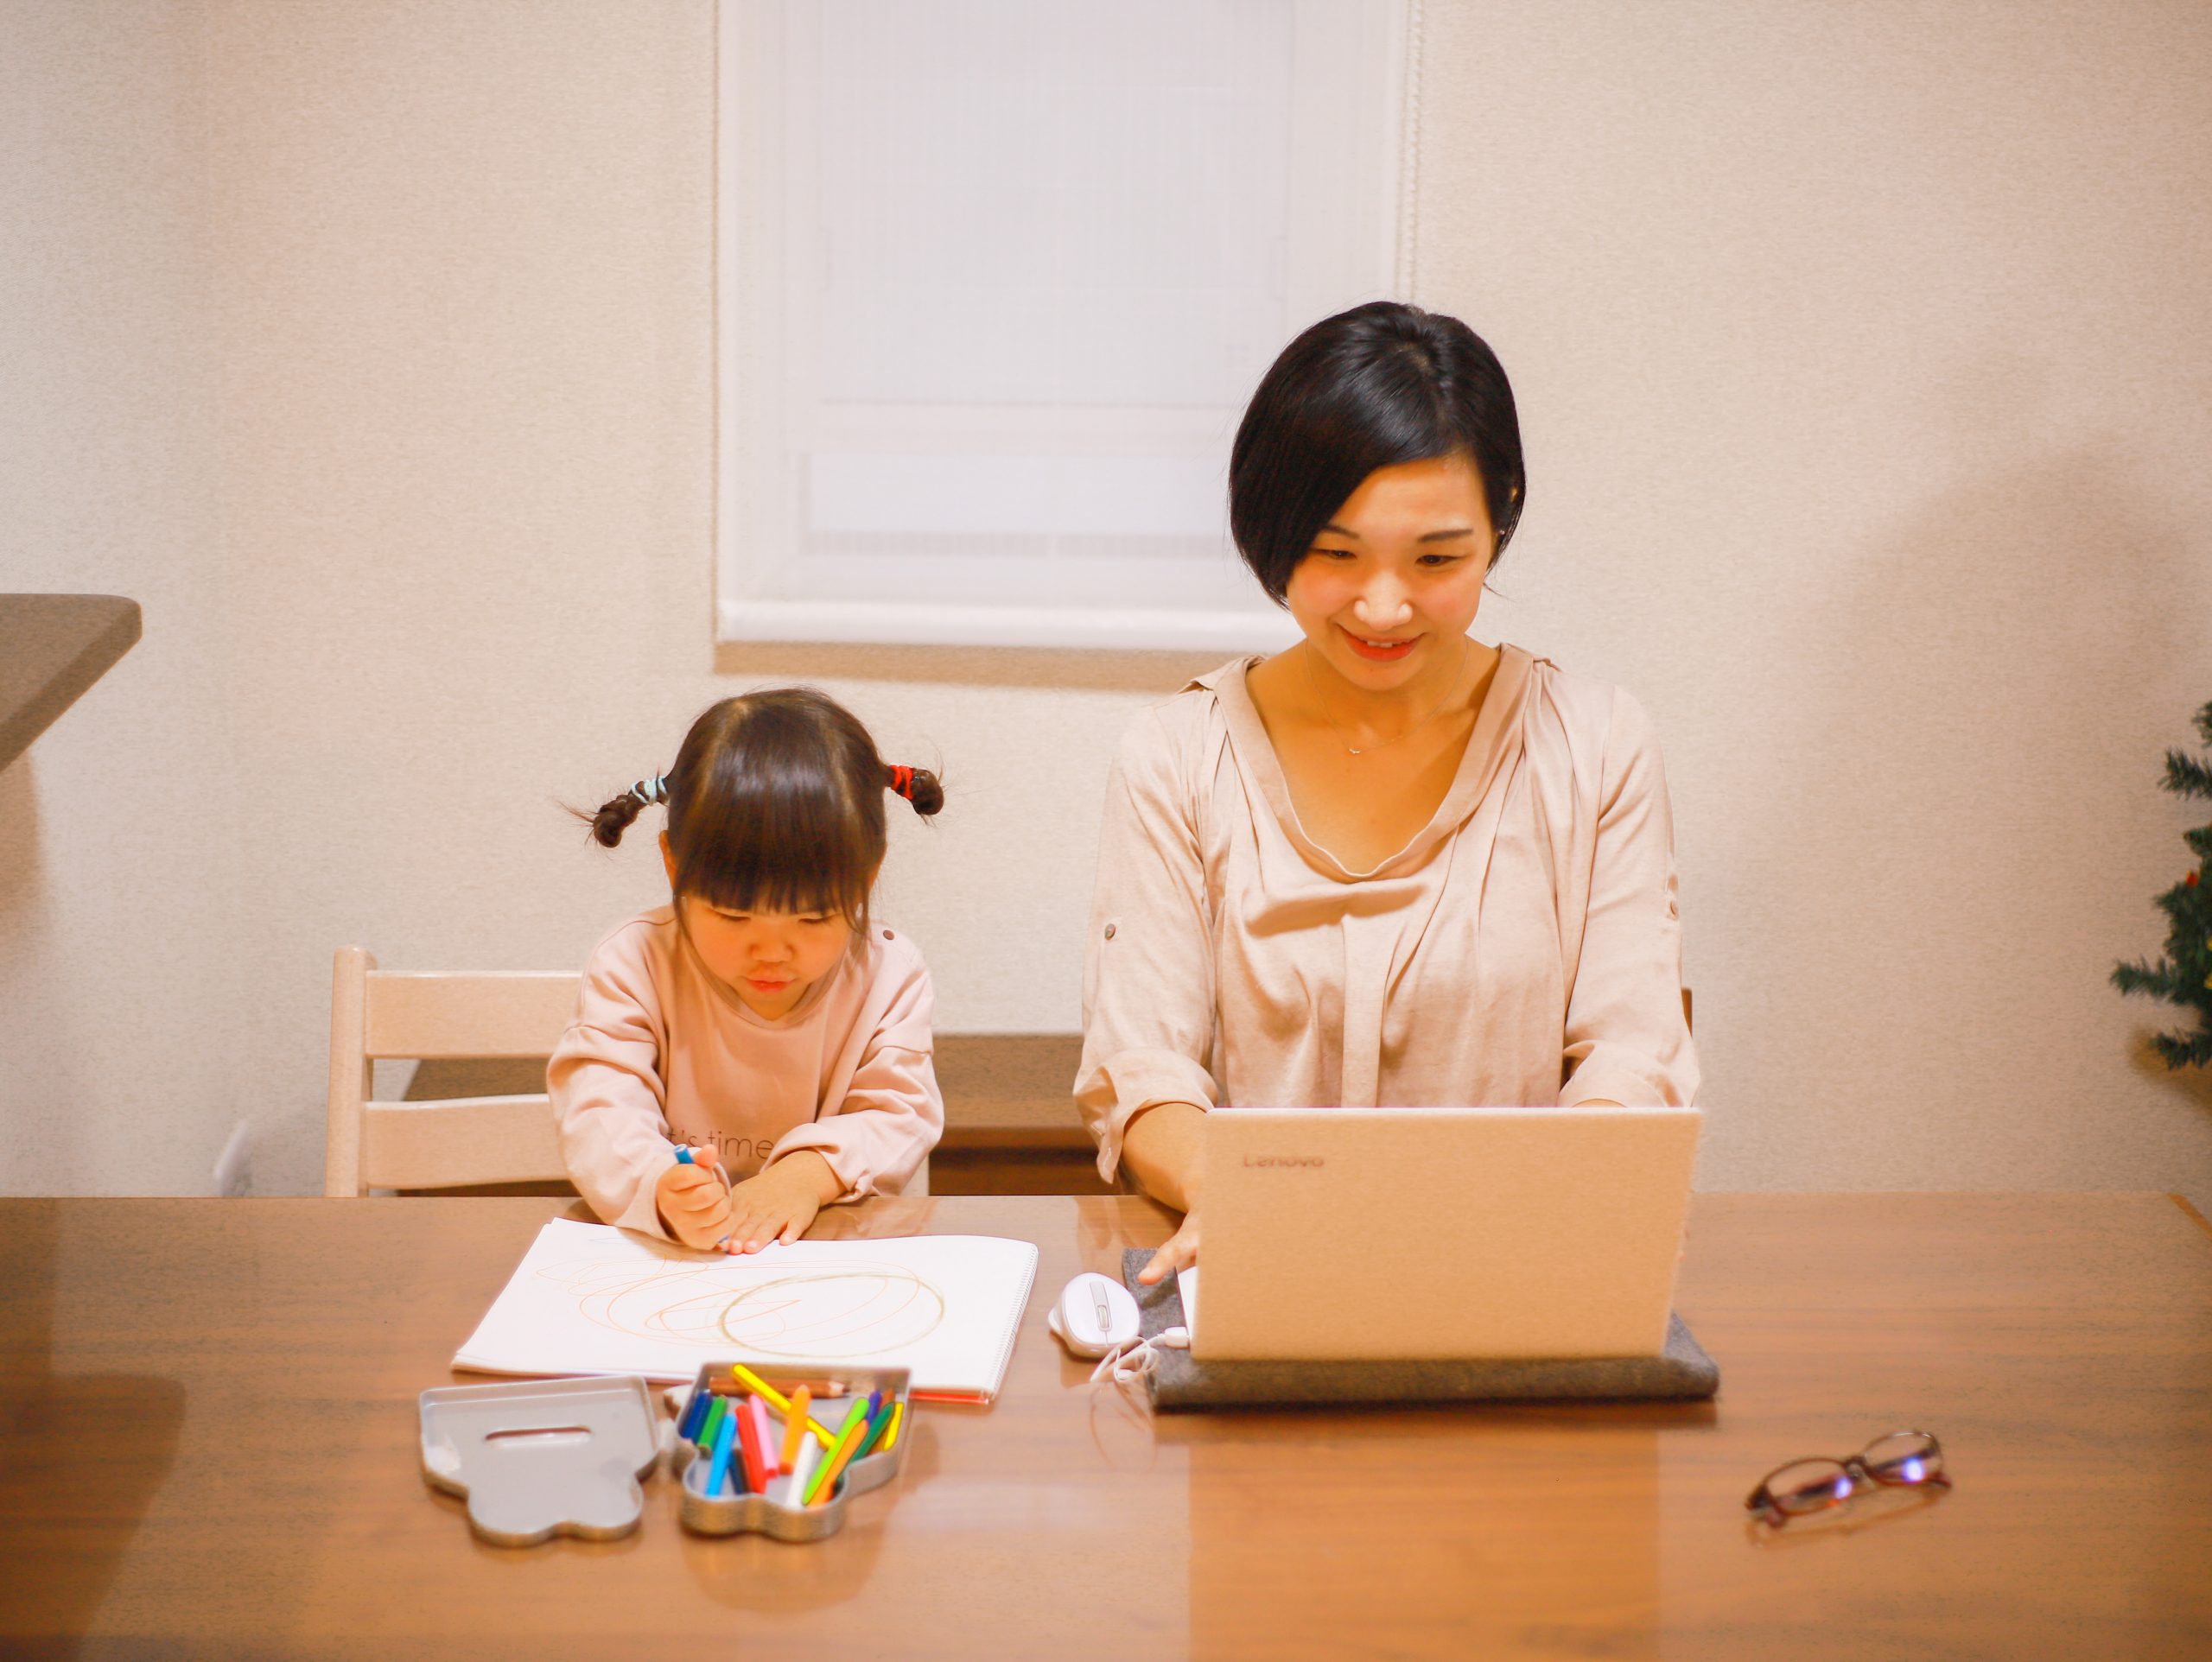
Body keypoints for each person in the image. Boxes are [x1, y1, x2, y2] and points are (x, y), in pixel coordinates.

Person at [1076, 301, 1699, 1285]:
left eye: (1437, 559)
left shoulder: (1594, 745)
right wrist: (1252, 1205)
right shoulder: (1178, 754)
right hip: (1261, 1274)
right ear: (1271, 530)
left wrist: (1553, 1205)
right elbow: (1144, 1071)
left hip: (1520, 1274)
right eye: (1333, 553)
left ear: (1501, 521)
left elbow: (1633, 1055)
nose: (1381, 605)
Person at [550, 688, 946, 1253]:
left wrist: (804, 1176)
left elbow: (897, 1115)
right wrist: (661, 1184)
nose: (771, 953)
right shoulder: (634, 963)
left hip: (833, 1255)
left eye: (812, 919)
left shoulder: (889, 976)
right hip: (675, 1260)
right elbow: (600, 1107)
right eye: (734, 917)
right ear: (673, 866)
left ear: (865, 879)